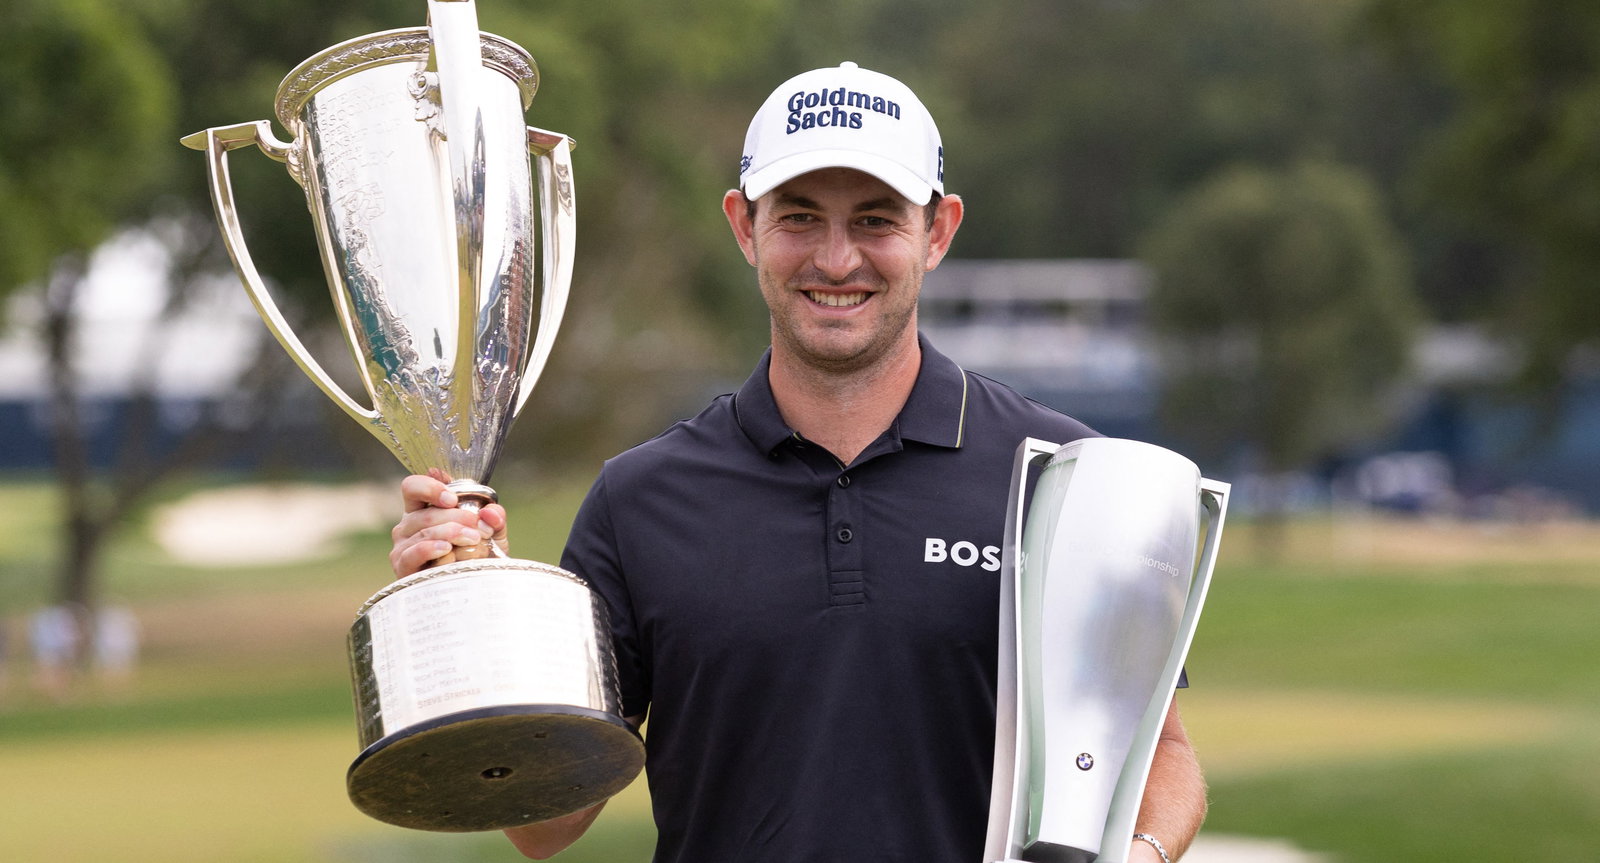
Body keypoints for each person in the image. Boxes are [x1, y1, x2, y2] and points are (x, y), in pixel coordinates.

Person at [390, 62, 1206, 863]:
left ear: (940, 231)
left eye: (878, 220)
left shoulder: (1064, 479)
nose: (838, 259)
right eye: (801, 217)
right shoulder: (640, 500)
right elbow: (544, 827)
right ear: (745, 227)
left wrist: (1139, 855)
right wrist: (471, 613)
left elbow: (1162, 754)